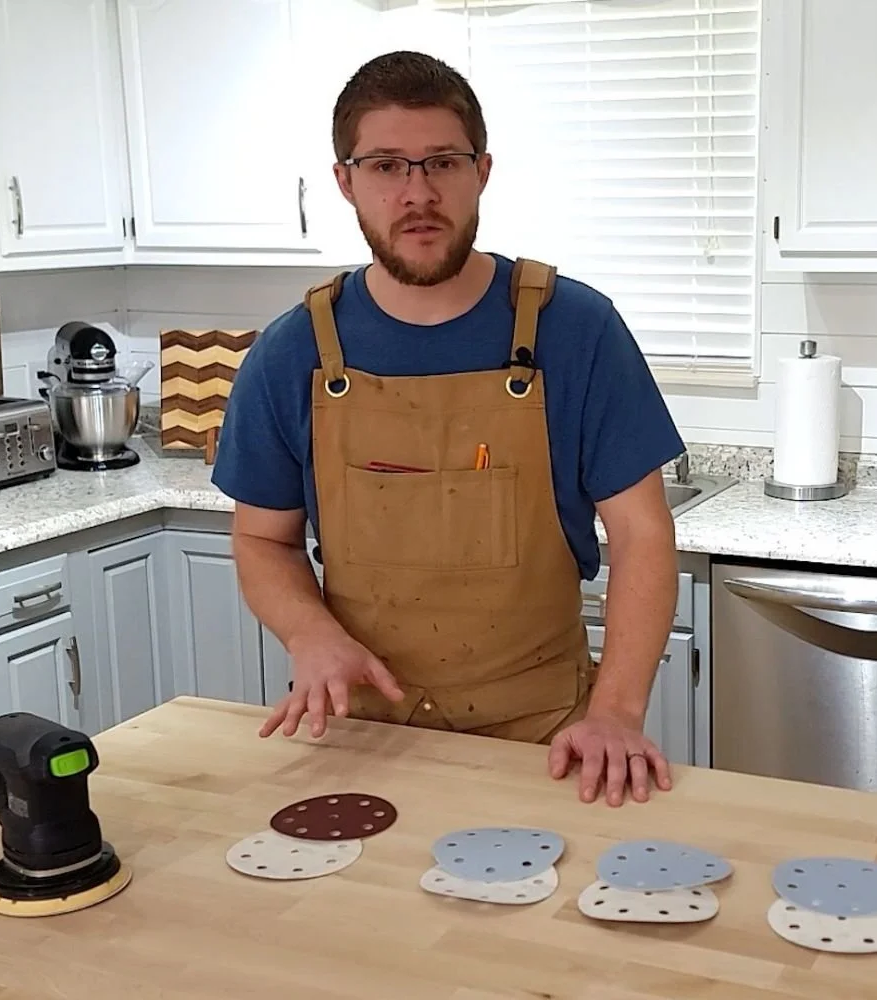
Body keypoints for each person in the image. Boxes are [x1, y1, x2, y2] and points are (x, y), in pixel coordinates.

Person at [210, 50, 687, 808]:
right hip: (365, 742)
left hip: (552, 745)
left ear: (482, 172)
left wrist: (616, 715)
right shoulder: (291, 352)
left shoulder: (577, 329)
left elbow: (643, 535)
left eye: (442, 162)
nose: (418, 193)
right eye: (385, 166)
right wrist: (311, 635)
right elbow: (261, 541)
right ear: (345, 181)